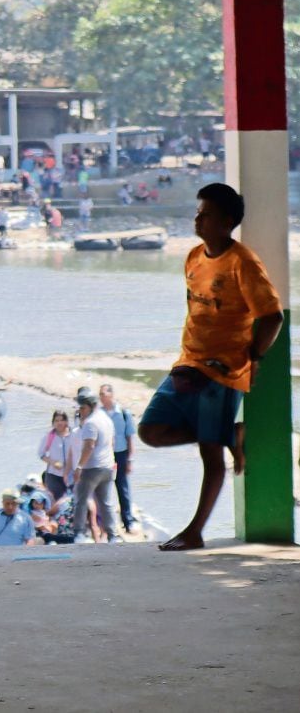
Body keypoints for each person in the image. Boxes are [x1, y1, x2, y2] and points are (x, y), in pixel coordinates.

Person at [138, 183, 283, 551]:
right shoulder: (192, 257)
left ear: (226, 222)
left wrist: (253, 357)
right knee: (150, 431)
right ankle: (229, 434)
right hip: (188, 363)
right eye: (197, 212)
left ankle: (195, 531)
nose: (197, 218)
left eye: (205, 213)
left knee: (210, 455)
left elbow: (272, 317)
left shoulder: (243, 263)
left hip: (224, 369)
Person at [71, 388, 121, 543]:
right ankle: (113, 535)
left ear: (91, 406)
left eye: (83, 408)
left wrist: (79, 466)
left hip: (92, 467)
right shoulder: (106, 419)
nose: (81, 411)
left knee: (81, 500)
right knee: (106, 502)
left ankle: (79, 533)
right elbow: (112, 443)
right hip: (107, 466)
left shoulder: (90, 423)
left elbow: (89, 446)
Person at [99, 384, 138, 533]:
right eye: (100, 395)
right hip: (104, 454)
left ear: (111, 395)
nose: (102, 397)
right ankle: (106, 524)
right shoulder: (99, 414)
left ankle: (127, 521)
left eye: (104, 394)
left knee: (122, 487)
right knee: (103, 488)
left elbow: (130, 437)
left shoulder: (122, 413)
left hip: (120, 453)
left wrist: (130, 460)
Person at [38, 410, 73, 501]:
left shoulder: (74, 434)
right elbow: (41, 454)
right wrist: (53, 463)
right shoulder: (49, 436)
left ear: (66, 422)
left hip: (72, 473)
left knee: (74, 500)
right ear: (53, 423)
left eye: (61, 420)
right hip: (54, 475)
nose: (59, 423)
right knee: (55, 501)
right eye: (56, 421)